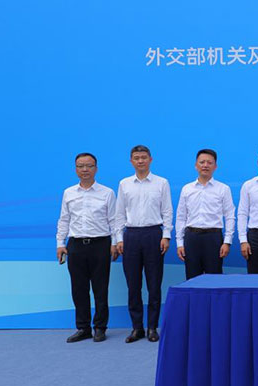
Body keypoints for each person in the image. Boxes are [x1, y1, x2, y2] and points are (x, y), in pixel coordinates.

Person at [56, 153, 117, 343]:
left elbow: (114, 220)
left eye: (89, 166)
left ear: (96, 168)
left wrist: (115, 243)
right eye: (80, 166)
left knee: (100, 288)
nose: (85, 170)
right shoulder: (69, 193)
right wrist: (60, 243)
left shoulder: (107, 193)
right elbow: (64, 219)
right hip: (75, 245)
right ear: (75, 169)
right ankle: (83, 328)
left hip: (100, 244)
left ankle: (100, 327)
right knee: (78, 289)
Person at [114, 145, 172, 343]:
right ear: (131, 161)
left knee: (154, 284)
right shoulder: (124, 184)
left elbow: (167, 211)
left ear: (150, 159)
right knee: (133, 285)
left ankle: (152, 327)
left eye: (144, 157)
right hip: (131, 236)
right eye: (136, 158)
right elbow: (119, 213)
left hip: (153, 234)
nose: (140, 161)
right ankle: (137, 328)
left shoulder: (161, 183)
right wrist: (119, 239)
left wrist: (166, 236)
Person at [175, 149, 235, 280]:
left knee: (214, 279)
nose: (205, 165)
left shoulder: (223, 189)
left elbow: (230, 216)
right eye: (202, 162)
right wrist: (179, 243)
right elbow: (181, 217)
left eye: (209, 162)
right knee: (192, 279)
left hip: (213, 238)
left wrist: (227, 242)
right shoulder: (187, 189)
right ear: (196, 165)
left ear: (215, 166)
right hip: (191, 238)